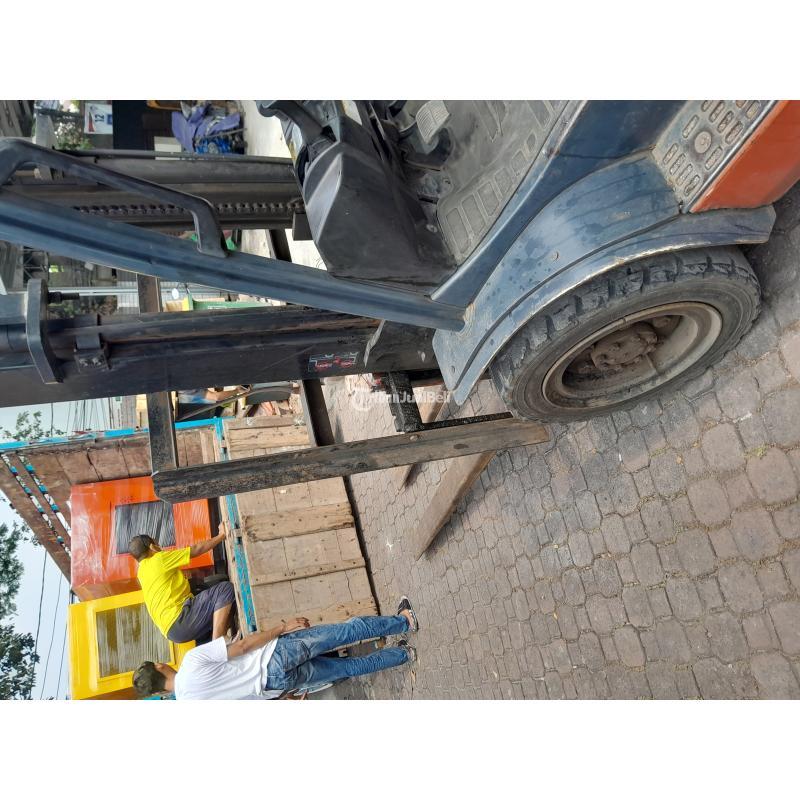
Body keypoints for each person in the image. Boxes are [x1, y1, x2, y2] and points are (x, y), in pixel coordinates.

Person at [132, 597, 420, 699]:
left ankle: (403, 654)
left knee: (347, 668)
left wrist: (282, 698)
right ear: (159, 666)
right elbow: (242, 646)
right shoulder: (190, 662)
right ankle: (404, 621)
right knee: (344, 632)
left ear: (158, 692)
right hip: (275, 656)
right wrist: (281, 628)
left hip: (275, 685)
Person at [128, 531, 234, 645]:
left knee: (217, 595)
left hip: (172, 633)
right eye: (156, 542)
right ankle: (218, 645)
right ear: (152, 546)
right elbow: (196, 549)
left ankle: (212, 643)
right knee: (225, 589)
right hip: (181, 618)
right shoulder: (159, 559)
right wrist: (221, 535)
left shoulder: (141, 573)